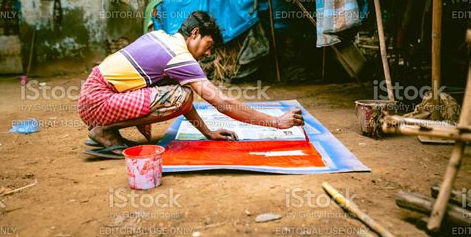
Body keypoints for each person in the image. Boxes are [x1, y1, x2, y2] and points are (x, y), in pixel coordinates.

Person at [78, 11, 304, 157]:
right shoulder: (179, 56)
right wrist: (275, 121)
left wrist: (208, 133)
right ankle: (104, 130)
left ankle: (105, 127)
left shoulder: (160, 37)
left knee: (182, 94)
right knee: (183, 95)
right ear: (195, 33)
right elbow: (221, 101)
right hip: (98, 101)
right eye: (208, 44)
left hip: (92, 95)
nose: (208, 53)